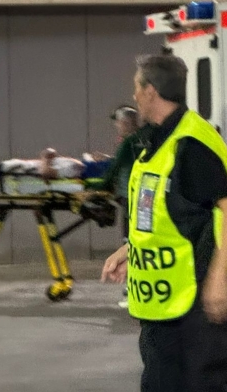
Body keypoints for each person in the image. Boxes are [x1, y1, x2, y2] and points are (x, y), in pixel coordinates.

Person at [101, 53, 227, 392]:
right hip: (167, 304)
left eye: (137, 88)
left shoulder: (191, 145)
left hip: (196, 299)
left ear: (151, 91)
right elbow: (166, 212)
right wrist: (130, 248)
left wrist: (219, 278)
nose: (134, 96)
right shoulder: (159, 140)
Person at [86, 105, 144, 308]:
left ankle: (131, 291)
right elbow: (126, 162)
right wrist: (109, 159)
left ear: (125, 122)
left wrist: (94, 190)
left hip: (129, 197)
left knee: (129, 243)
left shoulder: (127, 142)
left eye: (118, 122)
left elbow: (114, 171)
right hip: (142, 196)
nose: (117, 126)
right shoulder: (143, 138)